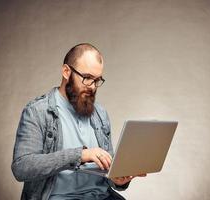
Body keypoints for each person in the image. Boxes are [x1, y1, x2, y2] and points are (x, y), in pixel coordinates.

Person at [11, 43, 145, 200]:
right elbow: (22, 167)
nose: (93, 87)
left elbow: (108, 170)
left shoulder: (100, 114)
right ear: (66, 71)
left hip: (101, 196)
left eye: (97, 80)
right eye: (87, 78)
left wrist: (118, 179)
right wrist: (79, 155)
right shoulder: (37, 111)